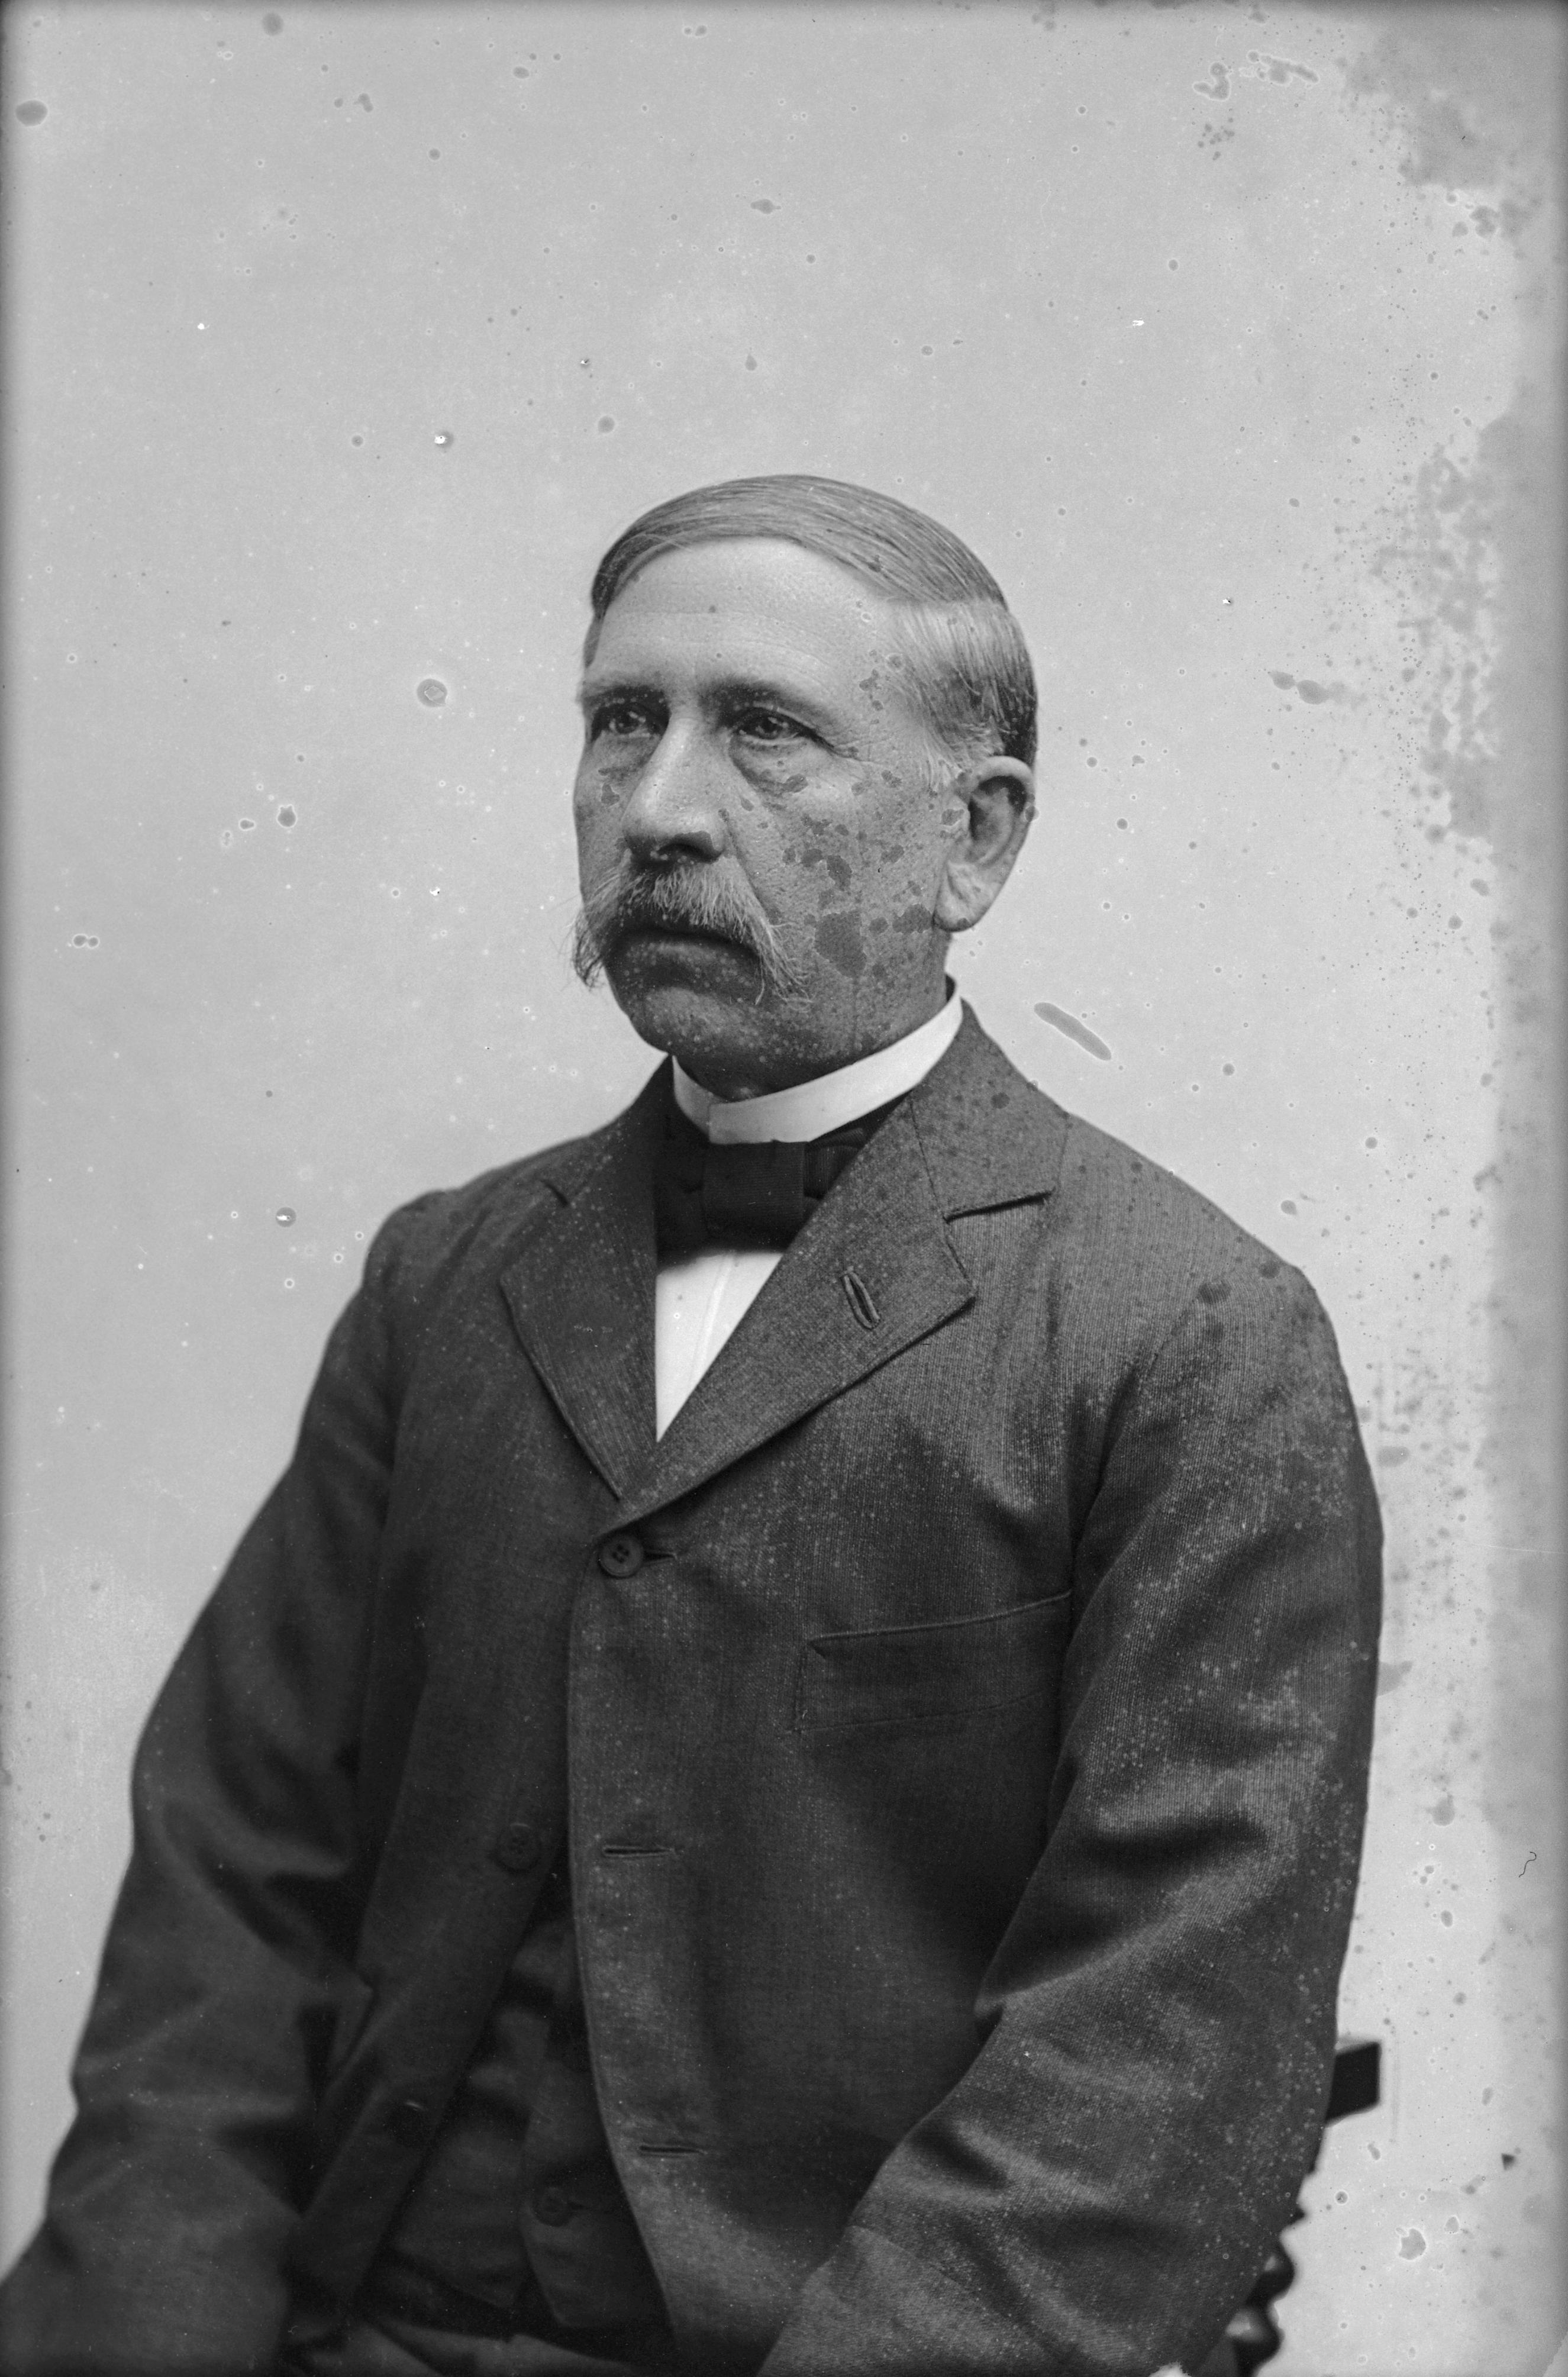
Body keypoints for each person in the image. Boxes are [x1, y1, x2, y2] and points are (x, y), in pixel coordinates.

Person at [0, 476, 1381, 2377]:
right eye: (618, 722)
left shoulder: (1187, 1332)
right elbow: (235, 1881)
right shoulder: (445, 1278)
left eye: (764, 732)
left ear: (973, 839)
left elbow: (1163, 2023)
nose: (655, 807)